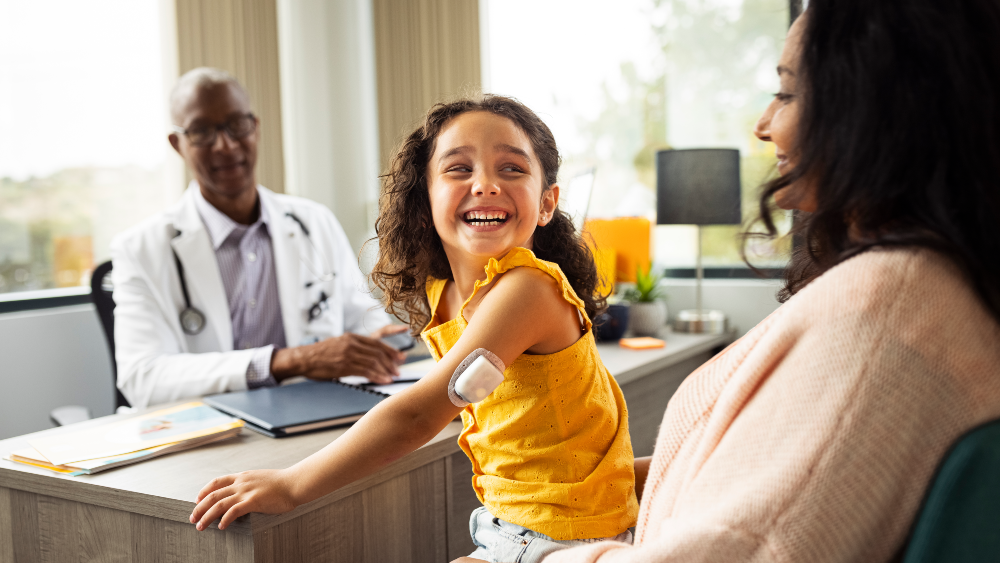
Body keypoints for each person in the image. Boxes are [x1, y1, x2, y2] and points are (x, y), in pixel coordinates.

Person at [538, 1, 1000, 562]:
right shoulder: (933, 285)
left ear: (872, 111)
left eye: (785, 94)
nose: (763, 125)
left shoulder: (879, 318)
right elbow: (786, 472)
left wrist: (530, 555)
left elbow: (753, 545)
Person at [188, 96, 639, 562]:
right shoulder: (440, 292)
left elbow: (418, 415)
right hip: (510, 524)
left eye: (511, 169)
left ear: (546, 203)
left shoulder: (528, 288)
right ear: (424, 196)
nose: (484, 184)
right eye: (459, 168)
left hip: (563, 537)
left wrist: (291, 484)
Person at [110, 67, 407, 409]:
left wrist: (375, 346)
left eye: (237, 125)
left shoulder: (314, 222)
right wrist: (286, 361)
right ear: (178, 144)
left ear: (255, 127)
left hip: (315, 414)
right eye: (203, 132)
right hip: (211, 431)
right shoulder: (140, 249)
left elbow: (364, 321)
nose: (225, 145)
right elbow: (142, 378)